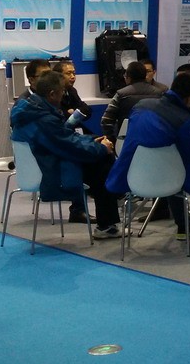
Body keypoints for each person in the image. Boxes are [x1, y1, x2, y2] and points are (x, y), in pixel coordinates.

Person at [9, 70, 124, 239]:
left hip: (39, 165)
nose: (64, 94)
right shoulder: (44, 119)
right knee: (103, 163)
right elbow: (68, 145)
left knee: (99, 158)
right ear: (52, 94)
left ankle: (108, 213)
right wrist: (100, 148)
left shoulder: (28, 111)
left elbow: (64, 137)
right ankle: (107, 223)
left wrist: (93, 141)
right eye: (62, 91)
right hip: (50, 170)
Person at [106, 72, 190, 239]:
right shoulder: (184, 120)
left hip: (135, 173)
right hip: (169, 176)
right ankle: (183, 227)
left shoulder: (141, 106)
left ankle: (173, 216)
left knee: (171, 166)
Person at [100, 62, 162, 141]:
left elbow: (106, 120)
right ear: (145, 75)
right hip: (153, 139)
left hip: (126, 140)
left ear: (128, 77)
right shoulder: (159, 94)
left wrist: (112, 140)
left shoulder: (121, 94)